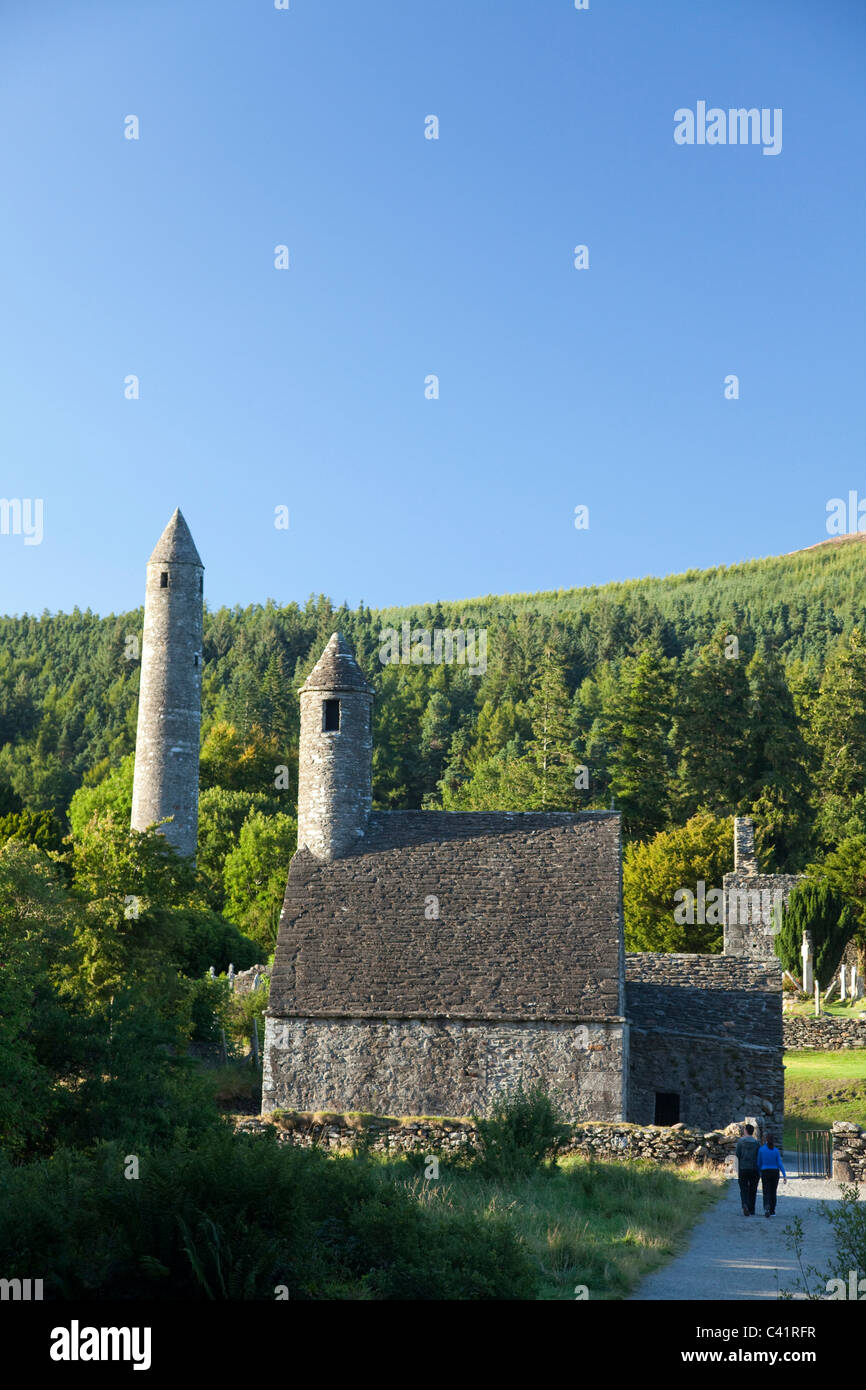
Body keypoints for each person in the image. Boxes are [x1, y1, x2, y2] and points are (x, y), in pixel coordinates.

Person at [757, 1135, 787, 1216]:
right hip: (775, 1172)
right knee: (773, 1191)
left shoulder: (761, 1150)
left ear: (766, 1140)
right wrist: (784, 1175)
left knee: (766, 1190)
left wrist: (759, 1172)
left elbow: (759, 1163)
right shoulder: (776, 1150)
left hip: (765, 1171)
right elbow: (779, 1163)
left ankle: (766, 1206)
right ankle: (772, 1210)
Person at [735, 1123, 760, 1215]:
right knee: (753, 1189)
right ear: (753, 1132)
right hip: (754, 1168)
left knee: (743, 1188)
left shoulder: (740, 1142)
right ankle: (752, 1209)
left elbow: (737, 1155)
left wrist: (737, 1168)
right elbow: (759, 1156)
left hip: (743, 1167)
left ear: (745, 1131)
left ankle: (745, 1204)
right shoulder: (756, 1143)